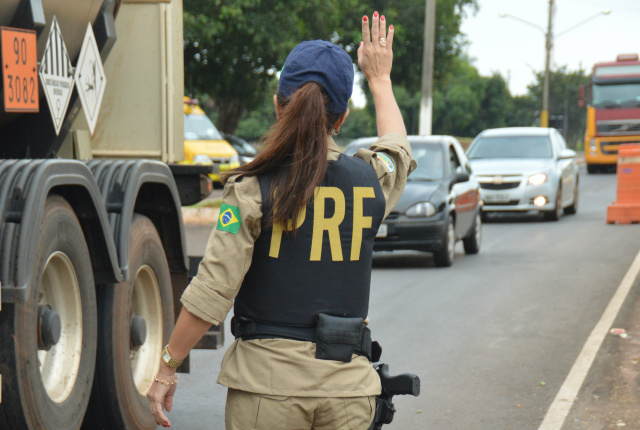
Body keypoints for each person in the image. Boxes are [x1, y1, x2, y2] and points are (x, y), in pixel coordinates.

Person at [147, 11, 416, 430]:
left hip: (266, 395)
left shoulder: (252, 188)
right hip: (349, 395)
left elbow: (213, 291)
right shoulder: (370, 181)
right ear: (341, 118)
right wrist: (379, 79)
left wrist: (167, 367)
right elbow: (397, 149)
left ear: (278, 105)